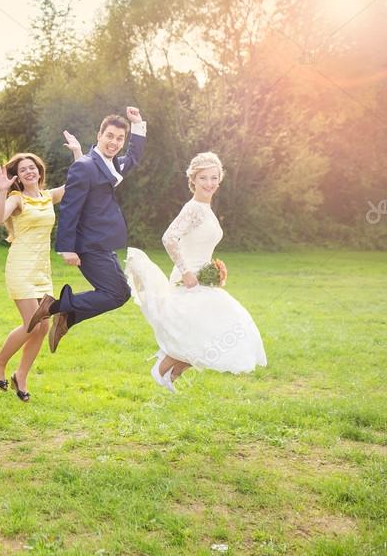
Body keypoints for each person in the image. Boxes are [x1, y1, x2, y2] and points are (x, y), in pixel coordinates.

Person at [125, 152, 267, 391]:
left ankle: (169, 376)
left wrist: (214, 270)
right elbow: (169, 238)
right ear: (193, 180)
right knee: (205, 331)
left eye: (214, 178)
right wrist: (186, 272)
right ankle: (162, 368)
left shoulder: (207, 209)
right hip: (188, 279)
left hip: (203, 278)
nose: (209, 183)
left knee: (211, 331)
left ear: (219, 180)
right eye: (203, 178)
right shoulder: (193, 209)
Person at [27, 107, 146, 353]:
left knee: (120, 292)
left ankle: (67, 316)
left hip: (103, 245)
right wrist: (67, 248)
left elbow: (133, 157)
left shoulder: (111, 165)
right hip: (88, 246)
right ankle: (54, 308)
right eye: (110, 136)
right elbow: (70, 208)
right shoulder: (85, 166)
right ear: (99, 135)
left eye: (119, 138)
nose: (114, 142)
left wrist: (138, 125)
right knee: (116, 293)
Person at [0, 135, 82, 401]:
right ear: (17, 176)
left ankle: (22, 375)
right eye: (23, 169)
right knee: (32, 323)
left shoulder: (47, 196)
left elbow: (77, 182)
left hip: (42, 269)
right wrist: (3, 190)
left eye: (33, 167)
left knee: (42, 326)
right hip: (21, 267)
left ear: (39, 172)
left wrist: (77, 153)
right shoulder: (17, 199)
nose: (29, 171)